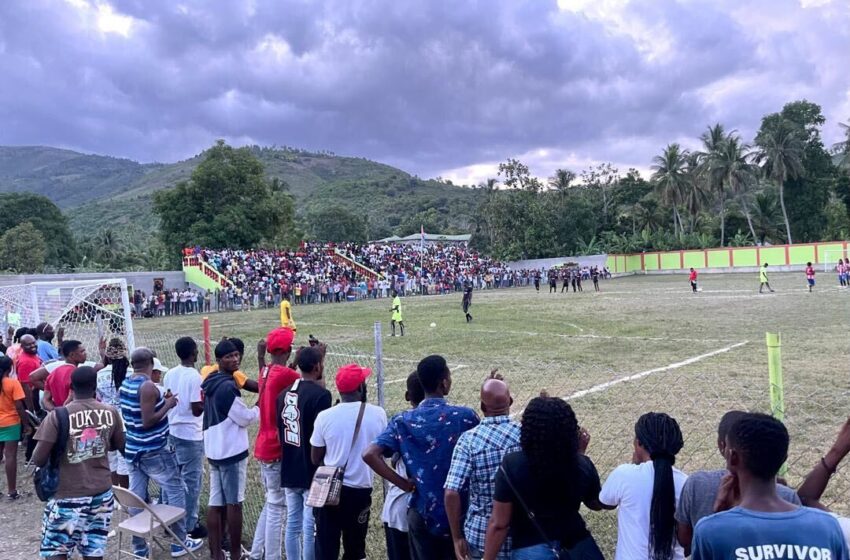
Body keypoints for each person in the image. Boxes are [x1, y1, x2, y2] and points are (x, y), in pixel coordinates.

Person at [364, 355, 479, 560]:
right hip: (458, 513)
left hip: (421, 511)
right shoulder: (464, 417)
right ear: (444, 383)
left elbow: (369, 454)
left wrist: (404, 484)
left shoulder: (402, 421)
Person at [691, 413, 848, 560]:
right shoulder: (828, 527)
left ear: (732, 457)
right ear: (783, 459)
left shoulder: (710, 531)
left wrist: (720, 516)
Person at [484, 396, 606, 560]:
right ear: (570, 430)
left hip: (530, 547)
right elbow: (595, 503)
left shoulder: (512, 464)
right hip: (576, 544)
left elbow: (500, 524)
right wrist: (579, 455)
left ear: (527, 428)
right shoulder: (582, 464)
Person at [32, 366, 124, 560]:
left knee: (57, 548)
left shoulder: (59, 415)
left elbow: (38, 458)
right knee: (93, 547)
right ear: (95, 386)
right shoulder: (110, 411)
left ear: (70, 387)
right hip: (101, 491)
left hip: (68, 494)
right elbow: (118, 446)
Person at [675, 411, 800, 552]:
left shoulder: (697, 484)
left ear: (729, 452)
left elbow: (685, 541)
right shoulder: (789, 497)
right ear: (784, 458)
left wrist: (719, 515)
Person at [121, 347, 203, 558]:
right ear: (151, 362)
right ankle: (179, 542)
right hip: (153, 450)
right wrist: (167, 404)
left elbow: (139, 414)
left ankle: (139, 546)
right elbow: (148, 420)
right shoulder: (147, 386)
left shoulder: (127, 382)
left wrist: (161, 401)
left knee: (137, 497)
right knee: (175, 489)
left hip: (134, 449)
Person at [310, 363, 388, 560]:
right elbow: (384, 451)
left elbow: (315, 457)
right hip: (359, 491)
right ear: (361, 387)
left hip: (329, 489)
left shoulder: (325, 417)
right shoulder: (377, 413)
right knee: (355, 548)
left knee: (326, 547)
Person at [445, 374, 521, 559]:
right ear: (510, 401)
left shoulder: (469, 441)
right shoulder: (525, 434)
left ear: (482, 406)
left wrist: (456, 538)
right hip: (521, 534)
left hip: (481, 536)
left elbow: (451, 492)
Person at [600, 412, 687, 560]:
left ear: (639, 443)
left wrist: (635, 465)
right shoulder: (686, 482)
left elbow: (606, 502)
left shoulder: (624, 474)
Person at [203, 339, 260, 560]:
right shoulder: (227, 386)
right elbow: (244, 418)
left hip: (215, 449)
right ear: (219, 361)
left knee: (215, 503)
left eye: (237, 355)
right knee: (234, 504)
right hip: (230, 452)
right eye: (229, 357)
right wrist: (259, 404)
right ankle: (235, 553)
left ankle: (216, 553)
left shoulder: (213, 380)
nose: (235, 359)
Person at [249, 328, 299, 560]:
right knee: (279, 509)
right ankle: (272, 556)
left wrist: (262, 358)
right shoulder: (287, 375)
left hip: (263, 444)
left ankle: (257, 553)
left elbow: (281, 374)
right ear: (288, 350)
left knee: (271, 504)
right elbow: (302, 380)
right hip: (276, 448)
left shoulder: (266, 371)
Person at [279, 345, 332, 560]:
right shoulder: (321, 396)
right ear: (318, 366)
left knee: (293, 521)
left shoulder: (283, 394)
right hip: (311, 468)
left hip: (289, 464)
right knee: (310, 524)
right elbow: (323, 433)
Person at [162, 337, 207, 539]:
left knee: (172, 478)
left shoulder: (170, 373)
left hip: (172, 431)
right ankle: (189, 524)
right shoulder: (195, 377)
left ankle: (167, 521)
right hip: (191, 434)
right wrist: (210, 402)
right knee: (191, 481)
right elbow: (197, 409)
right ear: (193, 353)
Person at [382, 372, 423, 560]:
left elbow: (381, 453)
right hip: (429, 510)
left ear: (408, 396)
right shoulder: (446, 420)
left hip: (399, 507)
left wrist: (403, 483)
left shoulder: (400, 422)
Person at [95, 338, 132, 488]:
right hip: (126, 419)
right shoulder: (130, 372)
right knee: (124, 458)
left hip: (105, 418)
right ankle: (126, 493)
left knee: (111, 457)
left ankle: (115, 492)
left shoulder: (99, 374)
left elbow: (98, 396)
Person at [0, 355, 31, 500]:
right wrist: (26, 424)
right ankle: (12, 491)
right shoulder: (13, 383)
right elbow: (19, 407)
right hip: (11, 423)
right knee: (10, 456)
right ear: (10, 368)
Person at [31, 340, 87, 412]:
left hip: (61, 417)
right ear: (72, 355)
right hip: (76, 415)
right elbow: (72, 398)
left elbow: (46, 400)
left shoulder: (53, 373)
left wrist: (57, 412)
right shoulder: (77, 374)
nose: (85, 354)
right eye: (82, 351)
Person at [15, 333, 41, 461]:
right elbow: (25, 386)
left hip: (35, 394)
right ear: (22, 346)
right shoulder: (25, 361)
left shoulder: (32, 356)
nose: (32, 346)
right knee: (35, 427)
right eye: (28, 344)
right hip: (31, 397)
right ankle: (30, 457)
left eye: (33, 343)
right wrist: (31, 409)